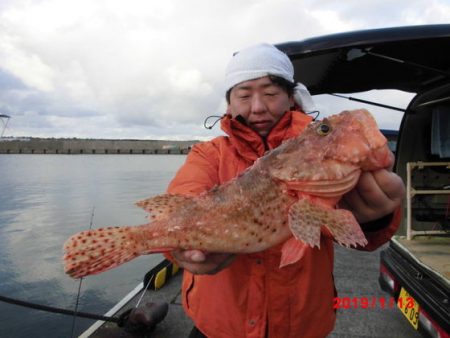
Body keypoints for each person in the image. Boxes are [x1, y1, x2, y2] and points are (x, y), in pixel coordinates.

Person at [166, 43, 405, 338]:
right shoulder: (208, 155)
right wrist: (177, 246)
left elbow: (353, 234)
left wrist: (374, 220)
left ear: (291, 98)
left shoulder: (323, 155)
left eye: (270, 93)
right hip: (220, 326)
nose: (257, 107)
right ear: (228, 104)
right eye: (243, 95)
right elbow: (179, 204)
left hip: (302, 325)